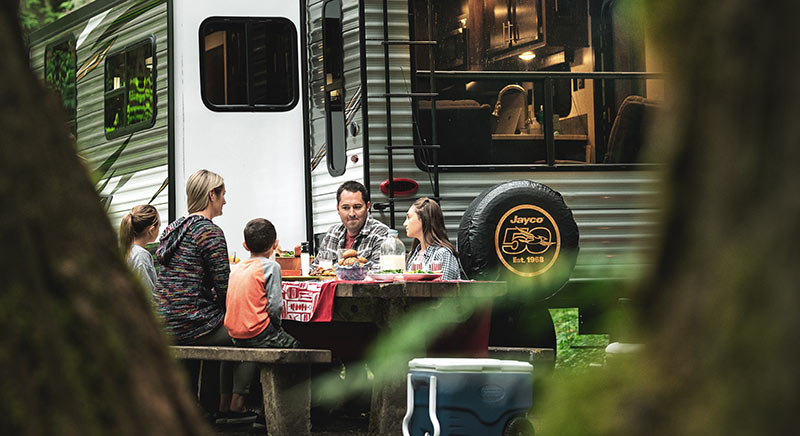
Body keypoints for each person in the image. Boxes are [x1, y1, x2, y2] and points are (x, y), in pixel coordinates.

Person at [153, 169, 256, 424]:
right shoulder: (209, 232)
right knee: (252, 332)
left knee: (216, 326)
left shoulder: (173, 229)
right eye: (222, 195)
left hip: (161, 321)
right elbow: (224, 288)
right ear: (212, 195)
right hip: (190, 321)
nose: (225, 201)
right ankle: (236, 405)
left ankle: (206, 409)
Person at [225, 218, 301, 428]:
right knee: (297, 350)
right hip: (258, 331)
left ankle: (256, 408)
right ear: (275, 244)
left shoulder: (237, 268)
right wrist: (276, 327)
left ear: (245, 246)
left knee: (262, 350)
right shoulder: (272, 266)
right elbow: (275, 305)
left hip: (234, 334)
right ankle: (267, 412)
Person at [314, 180, 389, 266]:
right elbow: (316, 268)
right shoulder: (332, 233)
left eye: (357, 207)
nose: (351, 213)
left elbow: (379, 272)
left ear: (368, 207)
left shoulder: (381, 233)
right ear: (338, 209)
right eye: (345, 208)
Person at [403, 197, 463, 280]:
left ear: (424, 219)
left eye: (409, 217)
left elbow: (444, 290)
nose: (404, 224)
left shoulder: (443, 254)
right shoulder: (414, 254)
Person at [119, 204, 160, 292]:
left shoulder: (125, 250)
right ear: (152, 230)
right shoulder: (141, 256)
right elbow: (147, 295)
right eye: (158, 227)